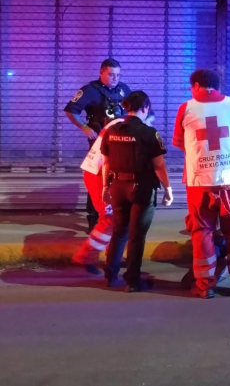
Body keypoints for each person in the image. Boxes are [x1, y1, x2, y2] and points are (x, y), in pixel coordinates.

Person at [172, 69, 230, 299]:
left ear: (197, 85)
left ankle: (204, 285)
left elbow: (180, 143)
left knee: (202, 232)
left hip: (200, 181)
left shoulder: (186, 108)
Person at [100, 91, 173, 292]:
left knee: (119, 232)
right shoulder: (149, 133)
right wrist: (168, 189)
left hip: (117, 186)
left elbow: (106, 163)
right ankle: (133, 281)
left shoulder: (111, 130)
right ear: (145, 107)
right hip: (141, 188)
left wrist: (105, 187)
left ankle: (110, 275)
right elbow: (159, 165)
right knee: (136, 236)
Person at [71, 112, 155, 275]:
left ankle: (113, 255)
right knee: (109, 219)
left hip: (100, 173)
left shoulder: (120, 124)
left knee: (117, 217)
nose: (149, 127)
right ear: (143, 113)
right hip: (99, 174)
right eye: (149, 123)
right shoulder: (123, 128)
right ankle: (85, 257)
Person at [64, 58, 132, 233]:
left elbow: (133, 112)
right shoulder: (90, 90)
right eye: (111, 74)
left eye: (118, 75)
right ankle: (94, 221)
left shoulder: (124, 89)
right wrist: (84, 127)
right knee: (97, 180)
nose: (115, 78)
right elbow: (71, 110)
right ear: (101, 72)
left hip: (121, 143)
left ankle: (116, 219)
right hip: (99, 144)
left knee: (119, 179)